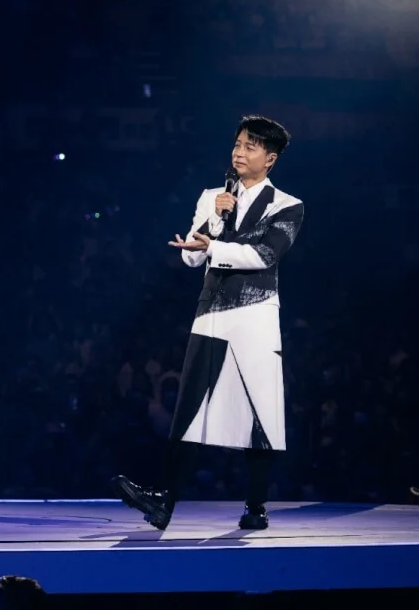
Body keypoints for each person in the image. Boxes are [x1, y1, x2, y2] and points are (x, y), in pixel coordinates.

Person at [112, 115, 303, 531]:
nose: (239, 152)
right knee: (190, 406)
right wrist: (215, 222)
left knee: (260, 409)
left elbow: (264, 256)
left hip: (255, 315)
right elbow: (191, 255)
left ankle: (256, 505)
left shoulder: (288, 206)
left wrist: (216, 245)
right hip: (212, 312)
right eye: (237, 144)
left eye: (250, 147)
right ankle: (164, 501)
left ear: (270, 158)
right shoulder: (213, 196)